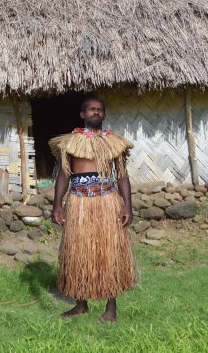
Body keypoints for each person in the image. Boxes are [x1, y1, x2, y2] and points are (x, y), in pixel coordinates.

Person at [49, 96, 136, 323]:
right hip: (79, 203)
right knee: (79, 253)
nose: (95, 112)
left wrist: (127, 204)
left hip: (108, 202)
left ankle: (111, 308)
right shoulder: (70, 142)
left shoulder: (114, 142)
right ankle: (81, 303)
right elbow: (63, 175)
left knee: (109, 253)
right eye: (91, 109)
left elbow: (123, 177)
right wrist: (57, 204)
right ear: (82, 114)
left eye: (99, 110)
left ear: (104, 114)